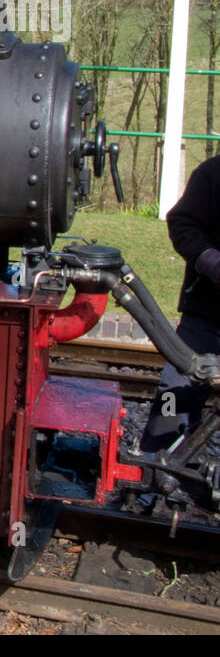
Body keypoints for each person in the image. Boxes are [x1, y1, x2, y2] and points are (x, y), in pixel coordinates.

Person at [140, 154, 220, 452]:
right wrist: (210, 261)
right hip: (207, 317)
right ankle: (154, 470)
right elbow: (182, 222)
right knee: (174, 393)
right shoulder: (212, 173)